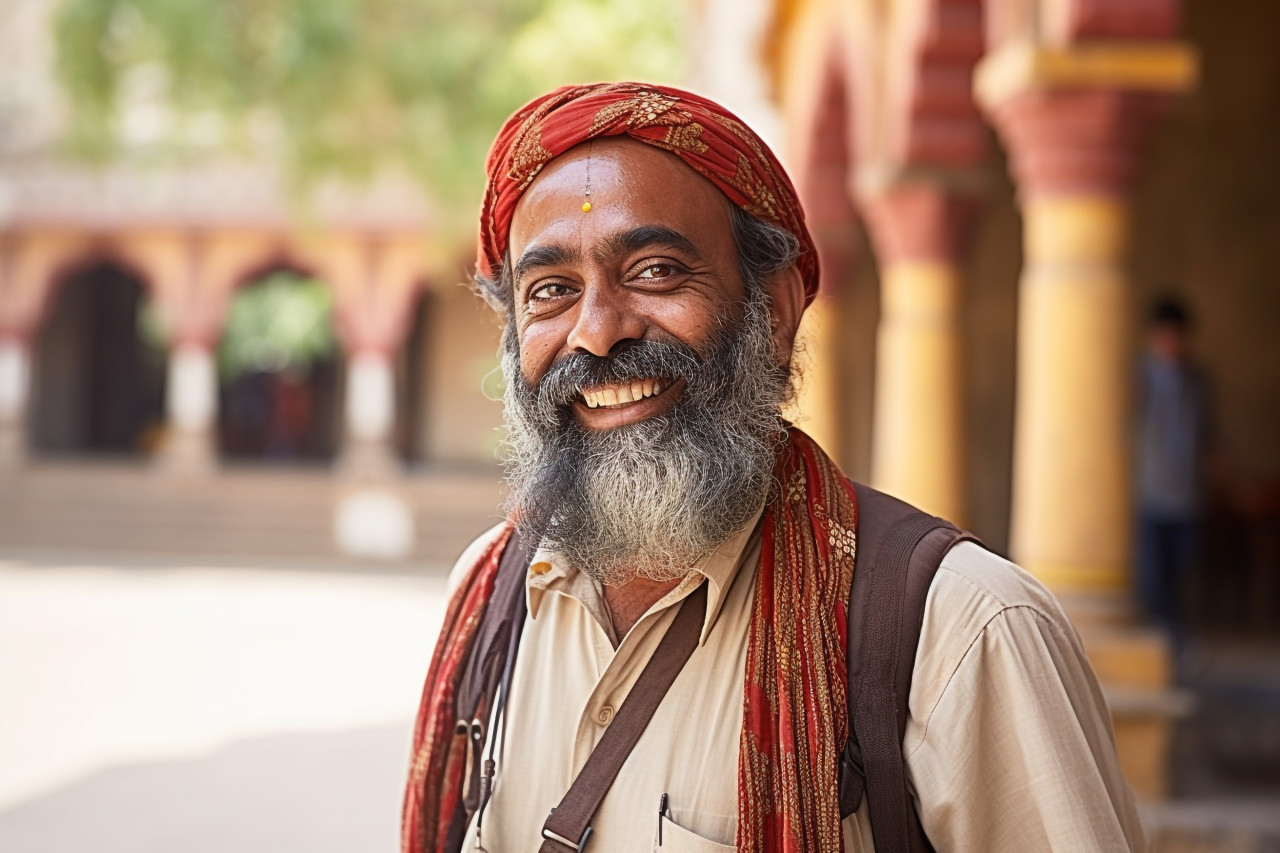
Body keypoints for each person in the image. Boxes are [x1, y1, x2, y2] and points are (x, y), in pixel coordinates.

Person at [403, 83, 1144, 852]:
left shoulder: (962, 633)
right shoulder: (490, 596)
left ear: (778, 311)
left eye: (655, 270)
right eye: (551, 291)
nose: (595, 333)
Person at [1135, 297, 1212, 652]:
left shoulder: (1198, 381)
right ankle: (1165, 643)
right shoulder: (1139, 378)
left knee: (1183, 570)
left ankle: (1177, 641)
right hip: (1150, 491)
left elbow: (1210, 432)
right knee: (1155, 575)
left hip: (1189, 493)